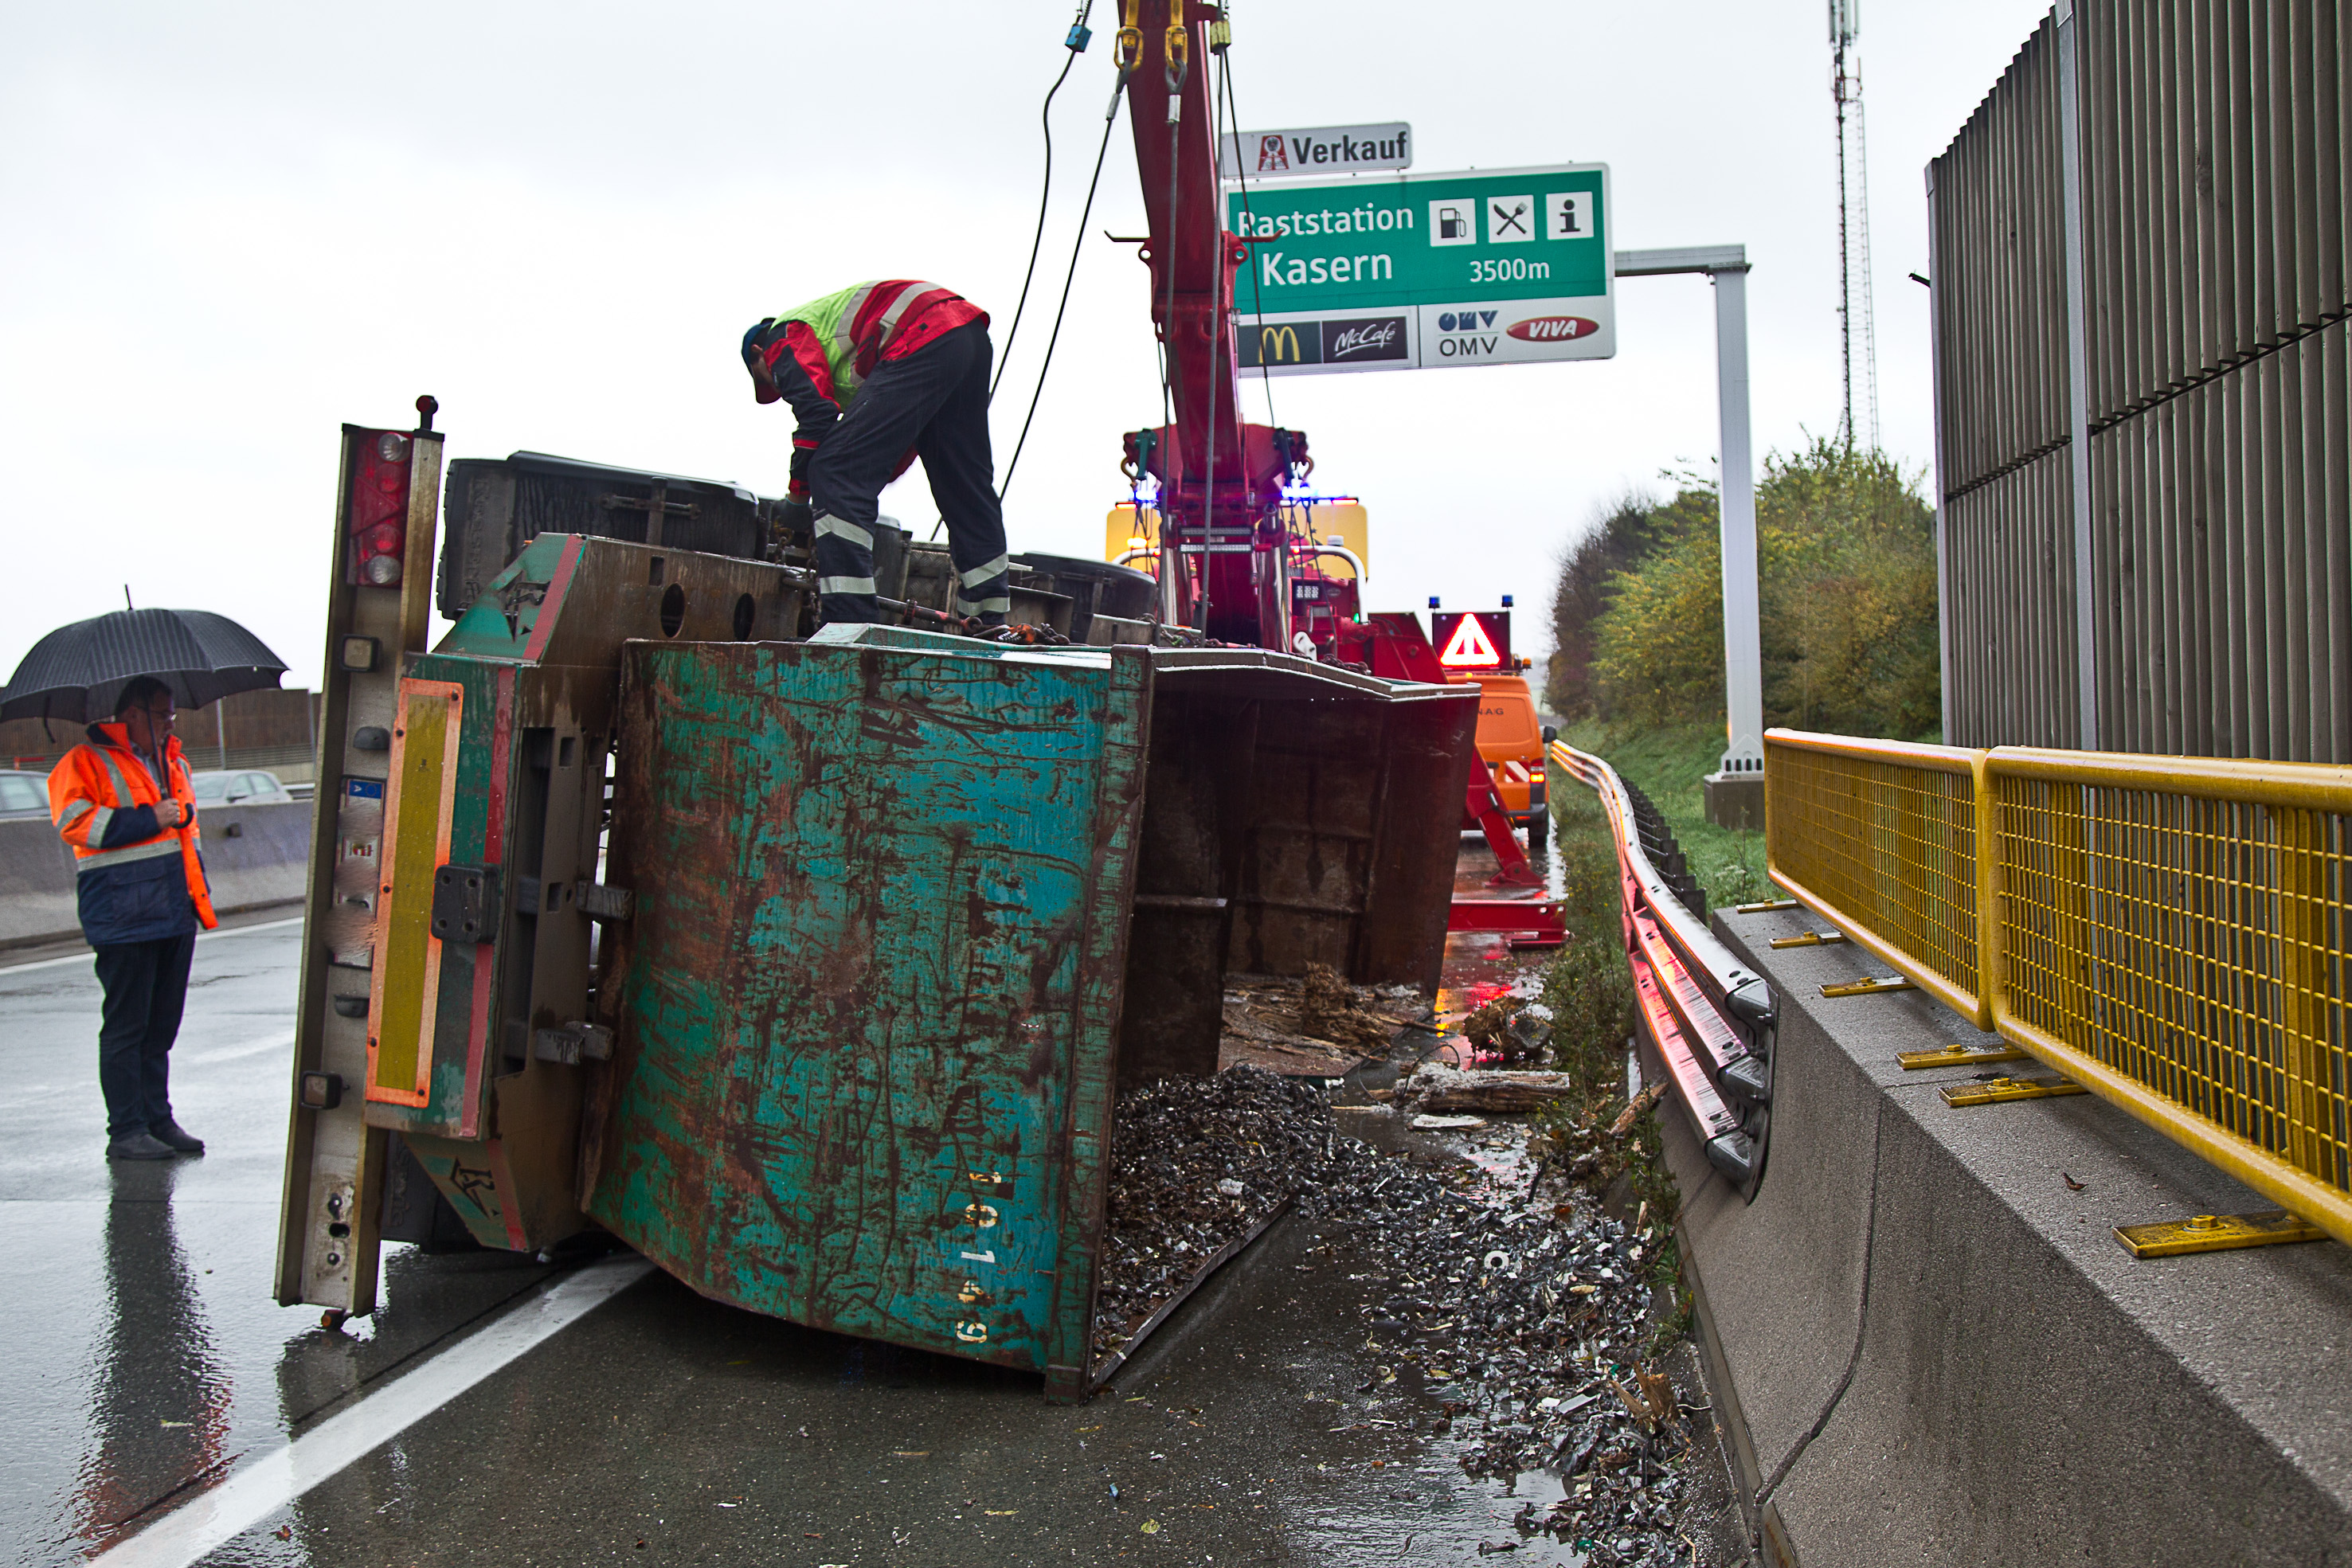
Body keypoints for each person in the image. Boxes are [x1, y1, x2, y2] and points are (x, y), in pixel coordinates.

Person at [742, 280, 1012, 628]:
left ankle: (849, 623)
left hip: (922, 333)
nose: (778, 387)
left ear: (758, 356)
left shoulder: (781, 337)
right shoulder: (847, 359)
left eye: (768, 381)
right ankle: (986, 622)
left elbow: (816, 416)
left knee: (834, 471)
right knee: (963, 483)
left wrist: (799, 499)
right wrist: (854, 491)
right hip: (966, 335)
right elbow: (898, 439)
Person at [49, 676, 217, 1160]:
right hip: (123, 914)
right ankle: (125, 1131)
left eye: (170, 715)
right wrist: (155, 817)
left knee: (161, 1027)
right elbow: (77, 824)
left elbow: (187, 837)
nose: (169, 723)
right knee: (127, 1027)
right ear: (131, 717)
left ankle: (158, 1121)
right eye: (161, 714)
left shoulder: (174, 764)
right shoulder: (82, 763)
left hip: (172, 909)